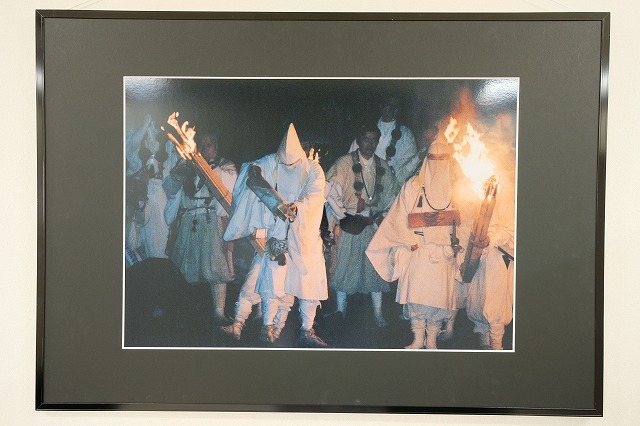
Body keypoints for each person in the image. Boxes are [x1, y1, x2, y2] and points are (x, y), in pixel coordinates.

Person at [222, 123, 328, 347]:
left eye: (292, 163)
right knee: (264, 281)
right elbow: (253, 167)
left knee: (306, 285)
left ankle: (301, 330)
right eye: (284, 163)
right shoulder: (272, 161)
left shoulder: (312, 168)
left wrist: (298, 207)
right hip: (276, 233)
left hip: (305, 235)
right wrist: (254, 172)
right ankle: (253, 326)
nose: (288, 167)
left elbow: (315, 192)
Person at [366, 140, 466, 349]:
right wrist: (408, 240)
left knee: (438, 298)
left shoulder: (458, 189)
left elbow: (466, 221)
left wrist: (457, 244)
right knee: (417, 296)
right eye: (433, 158)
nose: (437, 163)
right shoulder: (413, 186)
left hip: (444, 253)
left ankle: (432, 340)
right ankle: (418, 338)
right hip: (419, 248)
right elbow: (399, 216)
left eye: (442, 159)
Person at [325, 123, 399, 327]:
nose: (370, 144)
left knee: (376, 267)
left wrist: (382, 215)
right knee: (344, 266)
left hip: (373, 224)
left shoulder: (382, 166)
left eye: (374, 140)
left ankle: (378, 313)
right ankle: (341, 310)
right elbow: (330, 190)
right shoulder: (344, 163)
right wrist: (341, 213)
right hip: (350, 223)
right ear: (358, 141)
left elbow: (392, 195)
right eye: (366, 139)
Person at [162, 134, 237, 324]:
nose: (204, 148)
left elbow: (231, 189)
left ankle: (219, 312)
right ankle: (183, 310)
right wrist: (181, 171)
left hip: (211, 221)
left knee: (216, 268)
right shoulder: (187, 163)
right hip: (189, 222)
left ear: (215, 148)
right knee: (183, 267)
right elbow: (170, 188)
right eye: (201, 145)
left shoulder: (225, 166)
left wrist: (212, 170)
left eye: (208, 145)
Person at [465, 180, 515, 350]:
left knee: (495, 301)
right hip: (480, 255)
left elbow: (510, 228)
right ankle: (484, 339)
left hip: (498, 255)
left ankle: (496, 345)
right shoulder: (481, 187)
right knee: (478, 298)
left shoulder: (504, 190)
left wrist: (490, 239)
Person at [125, 113, 178, 262]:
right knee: (140, 239)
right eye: (150, 124)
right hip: (142, 194)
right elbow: (130, 147)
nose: (152, 127)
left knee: (161, 238)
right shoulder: (137, 145)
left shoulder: (166, 144)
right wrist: (144, 125)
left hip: (161, 194)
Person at [349, 95, 420, 185]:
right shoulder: (368, 128)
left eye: (396, 105)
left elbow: (409, 163)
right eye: (388, 104)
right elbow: (352, 156)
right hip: (365, 180)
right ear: (381, 106)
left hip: (391, 183)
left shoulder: (406, 134)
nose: (392, 108)